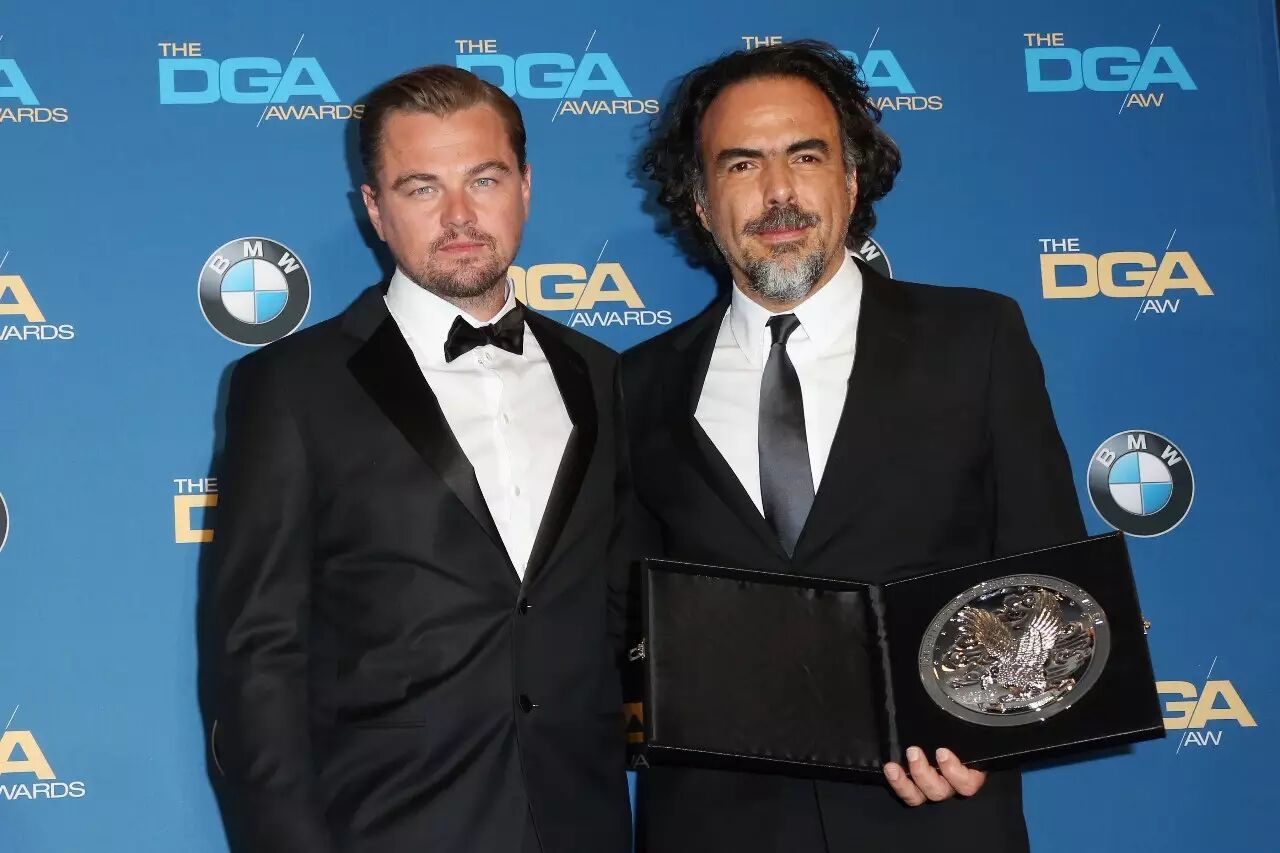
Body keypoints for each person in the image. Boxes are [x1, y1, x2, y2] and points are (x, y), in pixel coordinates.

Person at [624, 40, 1086, 853]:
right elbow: (621, 621)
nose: (778, 192)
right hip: (716, 828)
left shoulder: (975, 339)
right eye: (741, 164)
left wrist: (990, 732)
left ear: (851, 178)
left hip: (937, 819)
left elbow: (1051, 581)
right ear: (698, 200)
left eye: (806, 156)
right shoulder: (637, 384)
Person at [206, 65, 632, 853]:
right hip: (385, 828)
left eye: (484, 179)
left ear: (526, 187)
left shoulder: (604, 377)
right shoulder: (291, 387)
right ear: (375, 209)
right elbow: (256, 657)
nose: (460, 216)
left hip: (582, 822)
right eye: (422, 188)